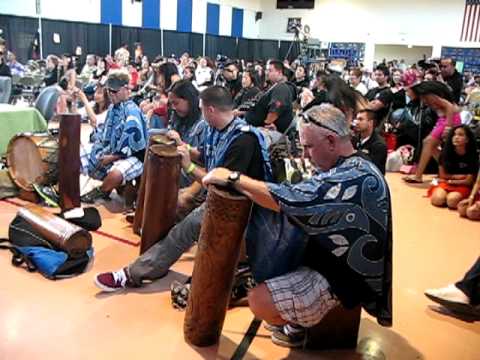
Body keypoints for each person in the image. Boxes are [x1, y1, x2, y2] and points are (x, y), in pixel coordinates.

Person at [203, 104, 392, 347]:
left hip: (342, 279)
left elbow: (284, 198)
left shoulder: (353, 177)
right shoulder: (357, 164)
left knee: (258, 300)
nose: (305, 154)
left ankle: (295, 326)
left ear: (332, 141)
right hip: (336, 259)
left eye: (309, 146)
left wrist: (233, 177)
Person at [94, 85, 272, 291]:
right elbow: (205, 154)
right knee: (169, 208)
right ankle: (153, 258)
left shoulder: (243, 139)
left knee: (184, 229)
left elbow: (219, 180)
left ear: (210, 110)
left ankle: (131, 274)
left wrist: (188, 165)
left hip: (239, 206)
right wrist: (184, 147)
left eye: (203, 109)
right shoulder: (220, 128)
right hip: (218, 195)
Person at [80, 70, 148, 203]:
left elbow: (134, 147)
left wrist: (111, 157)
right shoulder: (112, 108)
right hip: (111, 151)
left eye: (114, 91)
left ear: (126, 89)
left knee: (116, 173)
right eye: (108, 91)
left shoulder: (132, 111)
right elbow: (105, 134)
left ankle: (100, 192)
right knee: (77, 154)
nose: (111, 94)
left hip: (134, 156)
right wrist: (99, 149)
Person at [403, 81, 462, 184]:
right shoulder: (425, 96)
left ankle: (418, 176)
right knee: (431, 146)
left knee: (428, 143)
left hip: (449, 119)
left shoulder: (429, 95)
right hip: (443, 119)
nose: (407, 94)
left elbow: (449, 106)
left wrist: (448, 127)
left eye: (407, 91)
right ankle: (447, 170)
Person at [428, 125, 479, 209]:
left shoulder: (473, 156)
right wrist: (457, 177)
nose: (456, 137)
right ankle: (445, 197)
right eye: (454, 135)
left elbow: (468, 181)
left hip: (463, 186)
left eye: (460, 135)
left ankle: (451, 198)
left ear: (467, 140)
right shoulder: (445, 153)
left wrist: (450, 180)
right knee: (438, 199)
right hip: (445, 182)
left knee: (452, 201)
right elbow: (442, 175)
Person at [245, 60, 294, 133]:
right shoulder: (272, 87)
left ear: (279, 72)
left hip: (271, 131)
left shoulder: (281, 88)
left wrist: (266, 125)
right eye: (267, 70)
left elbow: (275, 110)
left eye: (270, 70)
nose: (266, 73)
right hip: (252, 124)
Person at [353, 109, 388, 174]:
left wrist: (356, 153)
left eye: (360, 119)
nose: (356, 122)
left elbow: (371, 168)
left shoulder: (379, 145)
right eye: (356, 119)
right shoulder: (354, 139)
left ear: (370, 123)